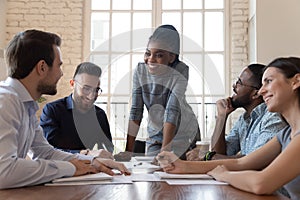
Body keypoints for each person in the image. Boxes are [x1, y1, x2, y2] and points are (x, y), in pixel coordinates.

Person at [0, 29, 129, 189]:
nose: (61, 73)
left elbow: (44, 152)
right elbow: (3, 172)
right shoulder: (6, 101)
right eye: (59, 65)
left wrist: (92, 162)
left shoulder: (26, 104)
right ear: (42, 67)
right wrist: (72, 168)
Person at [157, 57, 300, 199]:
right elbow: (241, 162)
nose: (262, 91)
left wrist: (224, 175)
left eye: (268, 81)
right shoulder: (286, 134)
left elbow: (261, 183)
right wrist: (182, 166)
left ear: (296, 81)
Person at [120, 24, 200, 160]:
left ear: (172, 57)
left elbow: (172, 110)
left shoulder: (180, 71)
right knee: (153, 171)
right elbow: (136, 110)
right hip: (156, 135)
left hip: (184, 134)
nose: (151, 59)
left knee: (177, 173)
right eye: (148, 53)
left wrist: (165, 151)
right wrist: (128, 151)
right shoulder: (140, 71)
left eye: (159, 55)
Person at [186, 64, 287, 161]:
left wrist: (208, 156)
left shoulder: (272, 118)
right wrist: (222, 117)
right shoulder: (244, 120)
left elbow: (255, 161)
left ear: (256, 93)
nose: (234, 86)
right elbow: (220, 153)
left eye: (239, 83)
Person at [40, 62, 114, 159]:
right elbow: (47, 152)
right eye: (86, 88)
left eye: (96, 90)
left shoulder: (99, 115)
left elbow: (107, 147)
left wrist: (106, 154)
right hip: (58, 170)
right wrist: (84, 154)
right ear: (72, 84)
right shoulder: (52, 111)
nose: (91, 96)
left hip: (89, 170)